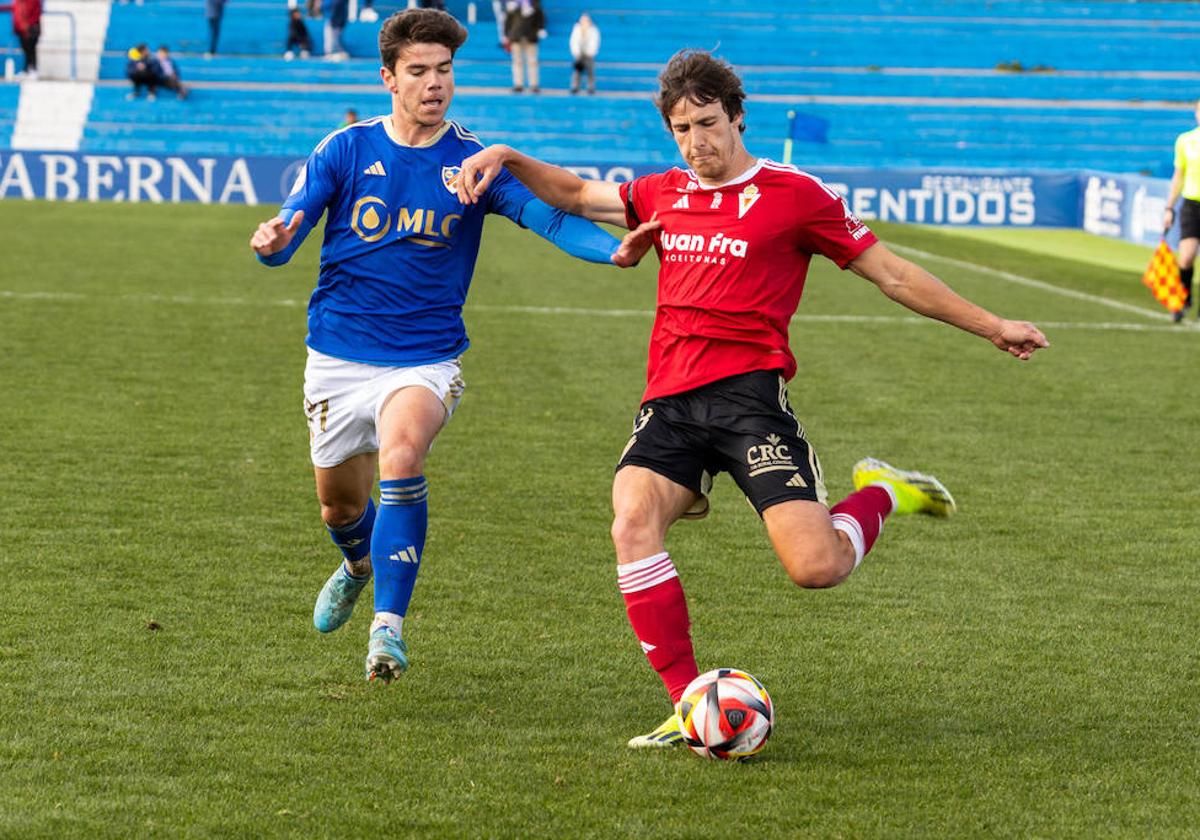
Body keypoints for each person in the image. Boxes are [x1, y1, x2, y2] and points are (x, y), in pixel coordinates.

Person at [457, 49, 1048, 747]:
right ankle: (688, 705)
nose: (695, 143)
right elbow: (578, 195)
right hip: (670, 404)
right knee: (630, 524)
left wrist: (992, 326)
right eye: (680, 129)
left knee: (816, 567)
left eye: (707, 123)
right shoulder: (663, 191)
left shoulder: (797, 196)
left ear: (738, 117)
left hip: (750, 403)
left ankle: (884, 492)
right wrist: (507, 155)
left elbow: (891, 274)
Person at [249, 8, 646, 684]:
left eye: (445, 70)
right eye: (419, 72)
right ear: (389, 79)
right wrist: (276, 241)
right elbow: (295, 217)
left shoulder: (472, 160)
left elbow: (549, 216)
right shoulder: (344, 150)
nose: (436, 83)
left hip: (424, 358)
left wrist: (612, 255)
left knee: (403, 453)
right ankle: (356, 562)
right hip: (338, 358)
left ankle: (387, 632)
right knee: (339, 507)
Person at [1163, 98, 1200, 323]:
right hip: (1191, 204)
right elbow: (1178, 175)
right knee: (1186, 257)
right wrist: (1169, 207)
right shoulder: (1186, 141)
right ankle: (1184, 299)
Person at [504, 0, 543, 93]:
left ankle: (533, 85)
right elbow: (508, 20)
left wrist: (540, 29)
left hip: (531, 37)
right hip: (516, 37)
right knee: (517, 61)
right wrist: (506, 34)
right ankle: (518, 84)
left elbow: (540, 18)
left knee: (532, 61)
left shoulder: (535, 3)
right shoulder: (513, 4)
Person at [568, 12, 599, 95]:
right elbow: (573, 41)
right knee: (577, 71)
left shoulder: (593, 30)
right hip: (579, 53)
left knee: (590, 71)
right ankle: (575, 86)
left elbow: (595, 42)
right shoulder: (577, 29)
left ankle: (590, 87)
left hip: (589, 54)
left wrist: (591, 52)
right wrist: (576, 52)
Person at [11, 0, 41, 79]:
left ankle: (33, 69)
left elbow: (36, 13)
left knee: (31, 49)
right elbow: (16, 13)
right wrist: (19, 26)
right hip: (21, 28)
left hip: (32, 28)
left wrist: (29, 24)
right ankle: (26, 69)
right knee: (25, 49)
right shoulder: (18, 1)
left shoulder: (34, 1)